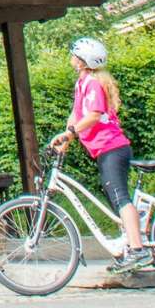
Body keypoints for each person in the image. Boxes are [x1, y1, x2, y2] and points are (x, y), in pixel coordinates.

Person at [53, 36, 148, 269]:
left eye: (74, 54)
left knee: (119, 196)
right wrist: (65, 138)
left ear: (82, 60)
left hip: (112, 148)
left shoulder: (93, 83)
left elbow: (94, 115)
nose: (71, 57)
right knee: (114, 197)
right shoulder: (82, 83)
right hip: (105, 149)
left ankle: (138, 249)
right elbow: (76, 115)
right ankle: (129, 246)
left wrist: (71, 133)